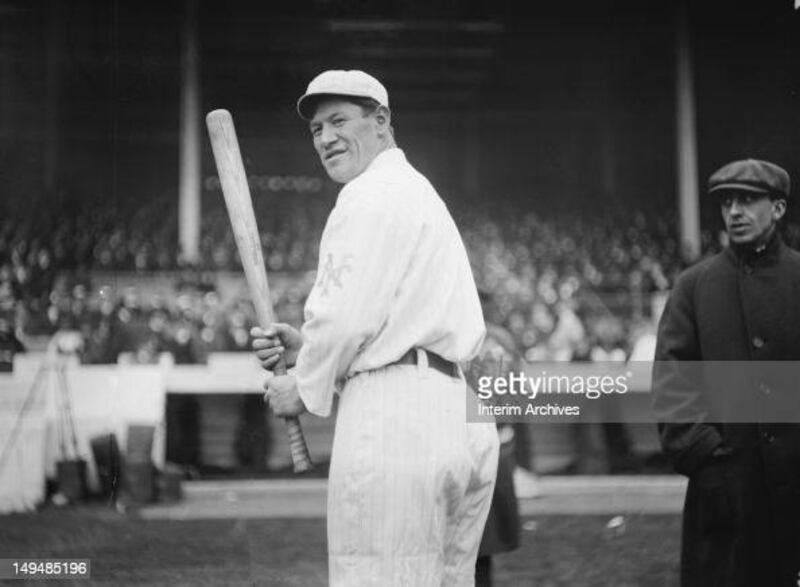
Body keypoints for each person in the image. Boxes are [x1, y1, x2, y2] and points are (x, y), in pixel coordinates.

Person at [252, 70, 499, 586]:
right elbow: (386, 315)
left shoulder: (367, 194)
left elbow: (343, 321)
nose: (325, 138)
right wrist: (307, 349)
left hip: (397, 419)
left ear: (381, 120)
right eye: (316, 129)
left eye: (339, 120)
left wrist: (302, 385)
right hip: (462, 414)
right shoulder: (419, 191)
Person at [652, 159, 800, 586]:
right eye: (727, 202)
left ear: (778, 208)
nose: (734, 211)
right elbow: (673, 383)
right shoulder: (694, 286)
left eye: (748, 200)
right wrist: (709, 462)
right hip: (725, 493)